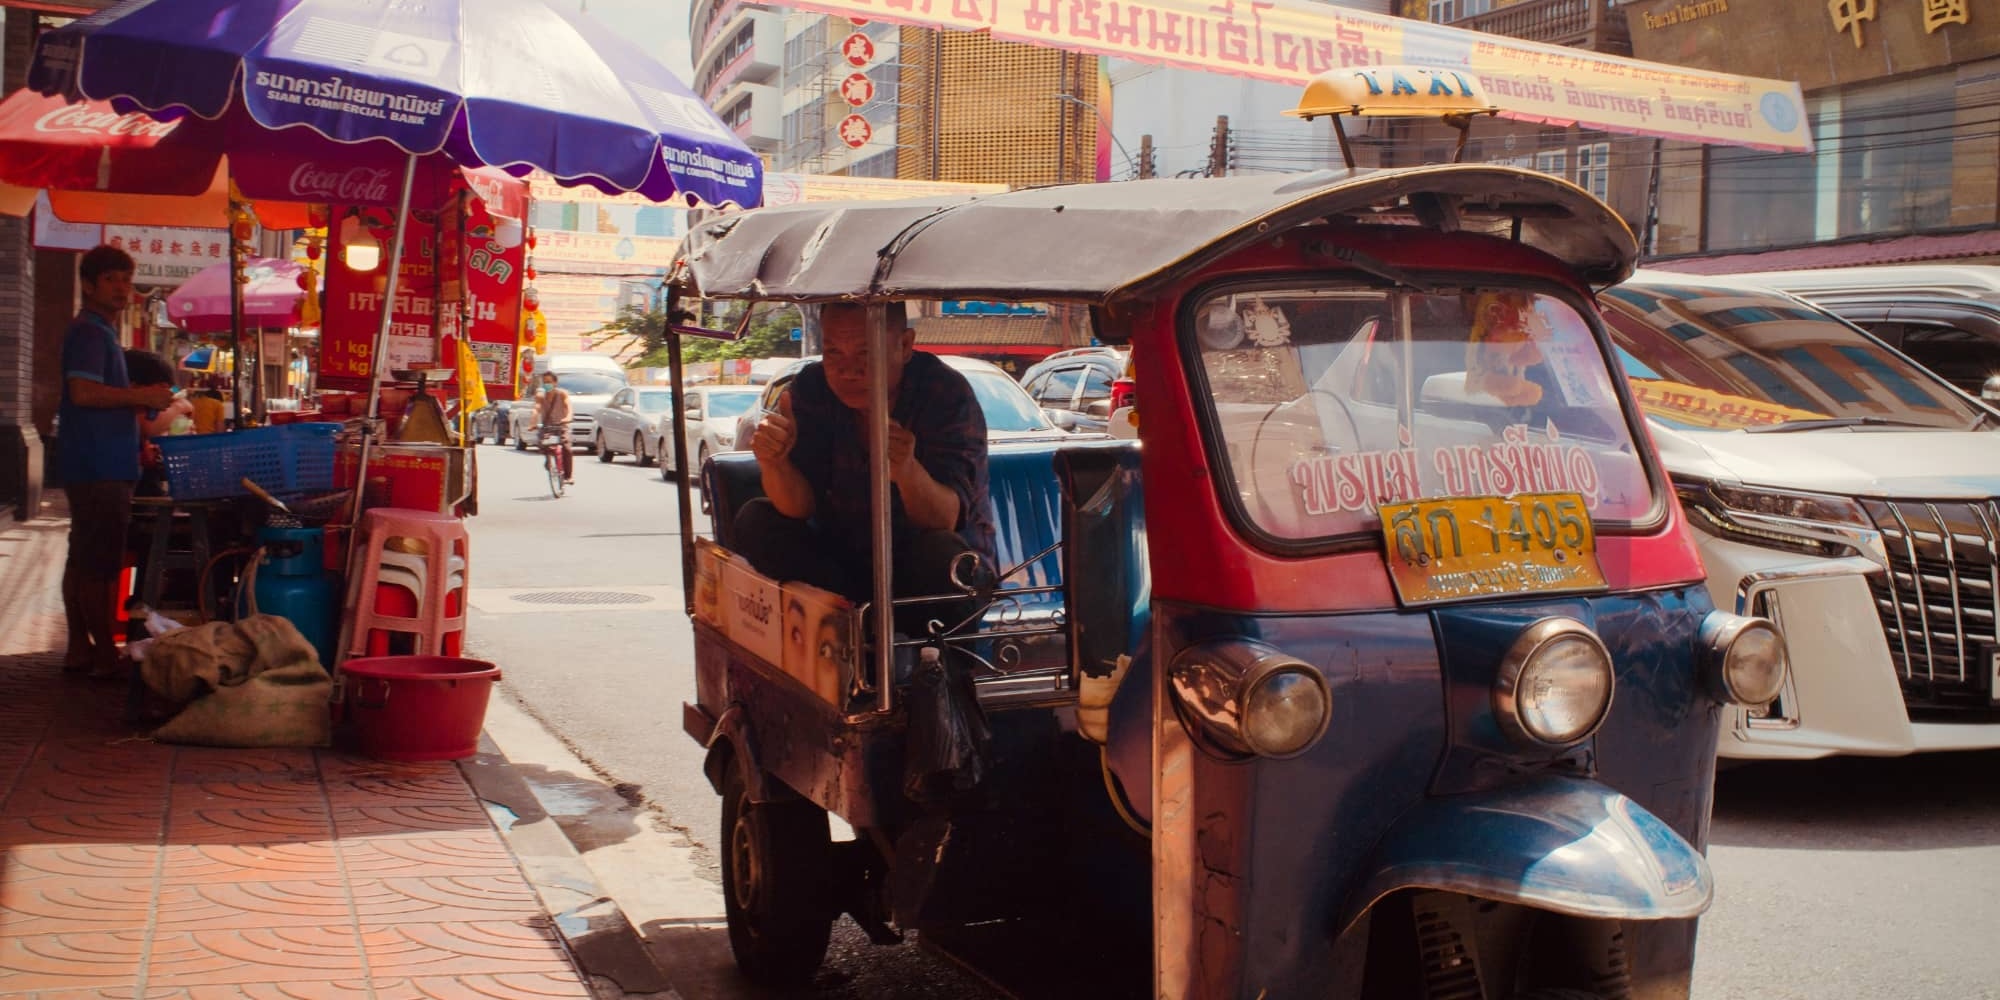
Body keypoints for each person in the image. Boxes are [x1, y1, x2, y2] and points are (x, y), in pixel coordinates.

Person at [737, 301, 995, 631]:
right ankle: (844, 636)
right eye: (833, 353)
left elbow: (944, 519)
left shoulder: (944, 393)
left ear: (903, 345)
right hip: (843, 567)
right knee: (757, 519)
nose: (848, 370)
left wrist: (905, 469)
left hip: (933, 571)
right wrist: (775, 463)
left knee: (939, 554)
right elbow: (799, 507)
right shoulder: (812, 388)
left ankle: (935, 672)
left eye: (864, 353)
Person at [57, 246, 177, 676]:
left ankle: (78, 648)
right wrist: (141, 396)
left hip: (98, 460)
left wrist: (137, 405)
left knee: (82, 557)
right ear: (88, 285)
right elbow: (82, 393)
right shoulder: (89, 333)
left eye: (126, 279)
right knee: (98, 563)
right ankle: (104, 652)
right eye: (111, 280)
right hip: (98, 463)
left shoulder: (102, 333)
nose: (122, 288)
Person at [533, 370, 574, 483]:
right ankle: (548, 458)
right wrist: (533, 422)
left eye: (549, 382)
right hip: (547, 427)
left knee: (567, 448)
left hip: (561, 427)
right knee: (543, 443)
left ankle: (568, 476)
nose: (547, 384)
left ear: (555, 382)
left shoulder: (562, 394)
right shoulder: (541, 396)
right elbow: (536, 410)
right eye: (545, 382)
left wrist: (567, 418)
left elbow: (569, 408)